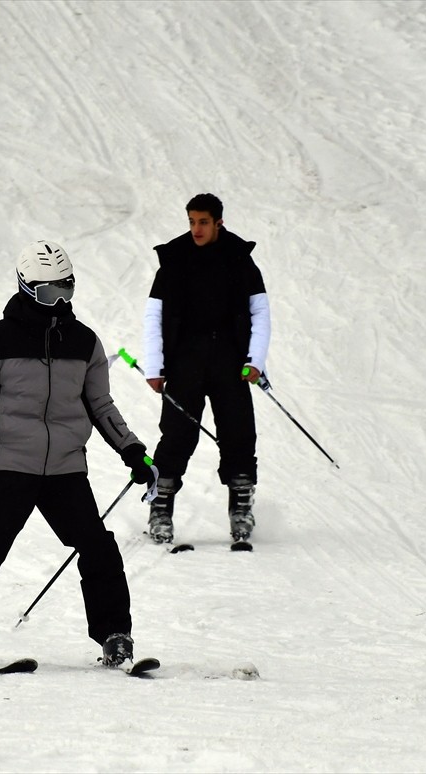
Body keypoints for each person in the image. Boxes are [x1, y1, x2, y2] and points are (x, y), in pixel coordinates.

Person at [0, 240, 155, 669]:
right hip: (12, 464)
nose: (60, 301)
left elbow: (101, 405)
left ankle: (115, 635)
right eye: (50, 293)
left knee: (98, 547)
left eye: (67, 289)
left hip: (66, 468)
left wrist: (133, 450)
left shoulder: (84, 343)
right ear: (28, 289)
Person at [140, 193, 270, 545]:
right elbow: (154, 315)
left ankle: (241, 508)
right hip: (185, 364)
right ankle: (160, 508)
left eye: (203, 222)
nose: (196, 229)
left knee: (239, 433)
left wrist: (254, 361)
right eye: (192, 221)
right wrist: (155, 367)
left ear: (218, 223)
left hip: (231, 364)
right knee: (177, 437)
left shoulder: (240, 260)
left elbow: (260, 312)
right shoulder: (174, 259)